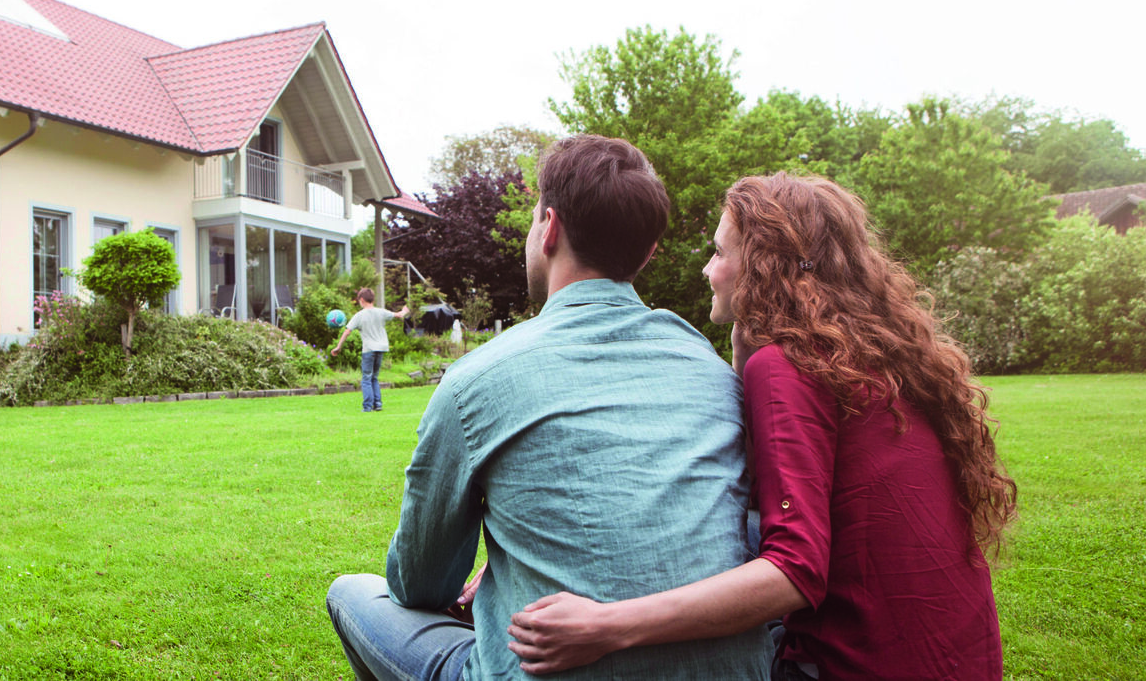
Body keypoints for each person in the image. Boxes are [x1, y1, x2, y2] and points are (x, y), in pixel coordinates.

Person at [506, 173, 1017, 680]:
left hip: (861, 664)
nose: (709, 269)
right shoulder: (876, 354)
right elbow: (748, 487)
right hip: (960, 660)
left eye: (720, 253)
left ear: (760, 269)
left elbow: (794, 573)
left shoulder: (787, 366)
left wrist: (605, 626)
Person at [325, 135, 770, 680]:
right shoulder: (706, 366)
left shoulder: (477, 379)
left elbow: (422, 584)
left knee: (352, 593)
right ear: (648, 253)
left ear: (549, 227)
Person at [330, 288, 409, 412]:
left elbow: (347, 332)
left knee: (366, 377)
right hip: (381, 348)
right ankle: (378, 404)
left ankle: (367, 406)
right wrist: (404, 311)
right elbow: (399, 315)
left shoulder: (359, 315)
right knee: (374, 377)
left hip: (369, 349)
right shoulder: (381, 312)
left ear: (361, 300)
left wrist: (338, 347)